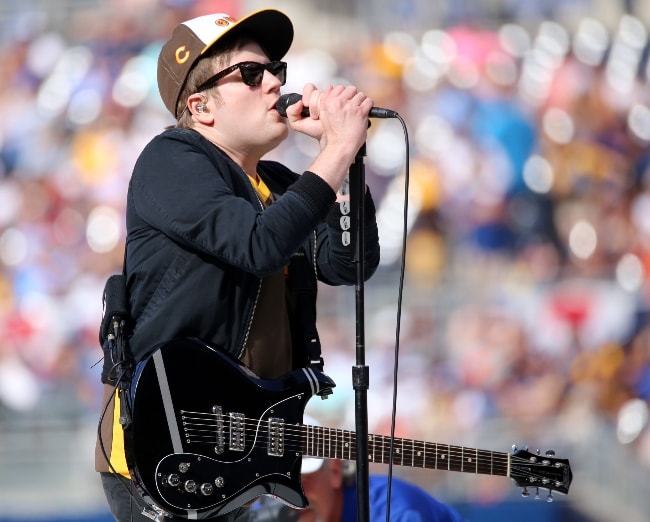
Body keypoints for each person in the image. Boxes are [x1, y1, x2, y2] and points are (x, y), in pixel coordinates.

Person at [94, 7, 380, 522]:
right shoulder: (171, 160)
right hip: (167, 444)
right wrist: (334, 152)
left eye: (277, 70)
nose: (274, 82)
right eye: (252, 74)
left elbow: (348, 265)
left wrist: (346, 167)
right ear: (201, 106)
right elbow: (259, 245)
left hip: (241, 442)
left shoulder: (279, 182)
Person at [252, 458, 466, 522]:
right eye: (277, 486)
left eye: (301, 481)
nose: (291, 499)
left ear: (335, 471)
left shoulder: (394, 514)